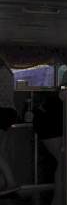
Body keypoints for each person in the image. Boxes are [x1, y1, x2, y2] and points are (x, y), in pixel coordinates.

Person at [0, 57, 20, 196]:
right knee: (2, 149)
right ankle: (5, 183)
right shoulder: (6, 71)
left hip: (0, 111)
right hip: (9, 111)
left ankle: (12, 183)